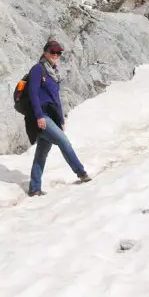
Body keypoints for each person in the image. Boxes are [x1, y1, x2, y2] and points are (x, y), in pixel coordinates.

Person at [24, 39, 90, 196]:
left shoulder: (53, 74)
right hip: (40, 116)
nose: (55, 55)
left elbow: (56, 100)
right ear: (45, 52)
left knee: (41, 153)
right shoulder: (37, 70)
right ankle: (81, 173)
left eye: (58, 53)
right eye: (52, 52)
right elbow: (32, 94)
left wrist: (60, 120)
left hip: (51, 117)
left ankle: (34, 188)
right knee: (63, 141)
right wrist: (39, 116)